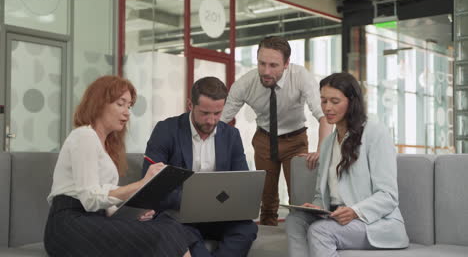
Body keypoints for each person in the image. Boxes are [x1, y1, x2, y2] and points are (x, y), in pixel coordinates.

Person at [44, 75, 197, 257]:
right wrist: (141, 184)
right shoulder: (84, 136)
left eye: (129, 105)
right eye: (120, 104)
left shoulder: (106, 146)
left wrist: (130, 212)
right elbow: (89, 198)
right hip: (69, 225)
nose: (127, 112)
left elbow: (103, 200)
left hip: (92, 219)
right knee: (163, 233)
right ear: (99, 104)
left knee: (171, 225)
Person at [285, 72, 409, 257]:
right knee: (295, 220)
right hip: (336, 217)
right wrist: (317, 206)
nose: (327, 107)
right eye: (324, 101)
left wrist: (355, 211)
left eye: (335, 101)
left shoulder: (375, 133)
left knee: (320, 231)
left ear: (352, 102)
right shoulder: (328, 143)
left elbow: (388, 196)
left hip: (376, 224)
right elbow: (322, 194)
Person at [221, 36, 333, 226]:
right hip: (264, 140)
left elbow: (324, 117)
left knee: (299, 197)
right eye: (262, 63)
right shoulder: (245, 84)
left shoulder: (300, 76)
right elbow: (221, 120)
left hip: (295, 141)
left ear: (287, 63)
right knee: (267, 201)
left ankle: (303, 238)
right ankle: (267, 245)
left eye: (273, 65)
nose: (266, 71)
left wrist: (322, 150)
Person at [143, 76, 258, 257]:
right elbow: (151, 182)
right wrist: (191, 200)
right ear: (190, 105)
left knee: (246, 228)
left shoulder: (231, 135)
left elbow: (241, 181)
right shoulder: (166, 130)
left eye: (217, 113)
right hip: (178, 215)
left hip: (219, 215)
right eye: (205, 113)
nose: (211, 121)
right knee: (173, 226)